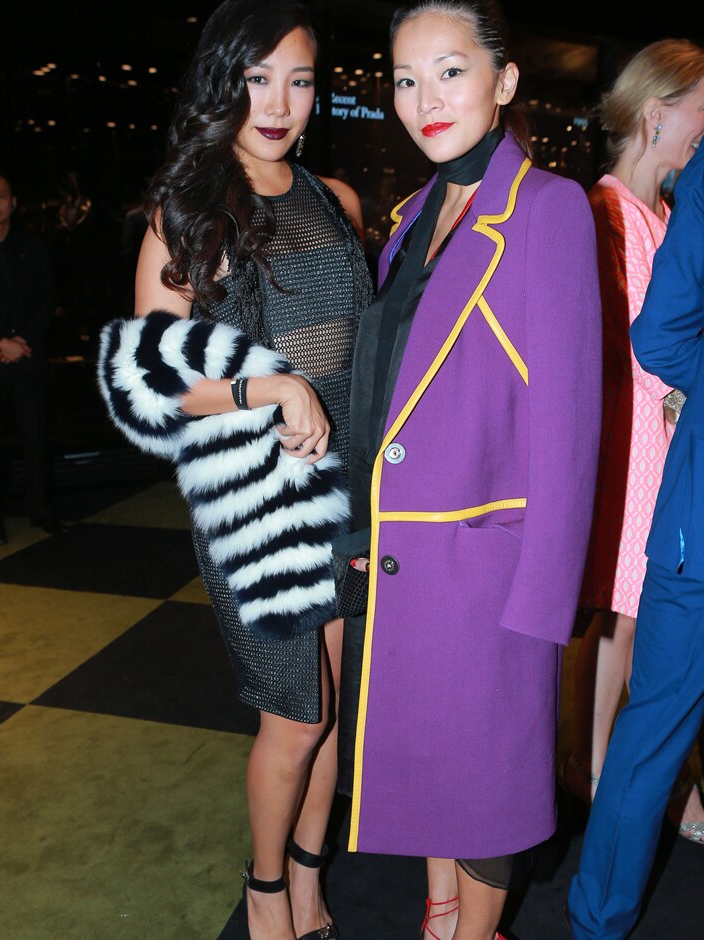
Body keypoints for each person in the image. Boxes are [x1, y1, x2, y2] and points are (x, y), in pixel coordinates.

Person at [96, 3, 372, 939]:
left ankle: (309, 881)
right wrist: (271, 389)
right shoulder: (189, 214)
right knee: (294, 718)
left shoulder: (337, 202)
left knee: (333, 712)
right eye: (258, 80)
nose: (280, 104)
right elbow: (155, 383)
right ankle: (264, 897)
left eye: (300, 81)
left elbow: (361, 350)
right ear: (224, 83)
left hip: (343, 489)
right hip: (254, 506)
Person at [340, 3, 602, 939]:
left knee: (487, 793)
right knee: (430, 777)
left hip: (489, 565)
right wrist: (362, 522)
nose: (427, 100)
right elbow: (383, 385)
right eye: (406, 81)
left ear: (505, 81)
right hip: (406, 555)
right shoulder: (411, 216)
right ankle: (441, 916)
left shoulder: (548, 210)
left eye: (451, 71)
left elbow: (570, 421)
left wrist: (542, 602)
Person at [567, 104, 704, 940]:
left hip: (688, 506)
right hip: (654, 472)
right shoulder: (612, 206)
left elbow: (661, 334)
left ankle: (596, 923)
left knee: (650, 724)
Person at [0, 171, 62, 546]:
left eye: (1, 195)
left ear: (13, 203)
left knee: (36, 438)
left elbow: (48, 300)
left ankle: (41, 510)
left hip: (28, 357)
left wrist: (22, 340)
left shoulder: (32, 247)